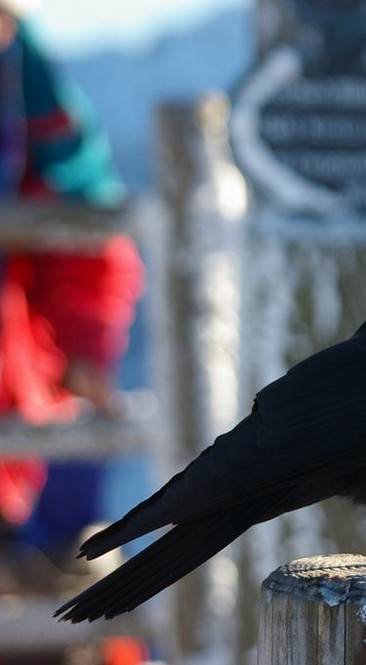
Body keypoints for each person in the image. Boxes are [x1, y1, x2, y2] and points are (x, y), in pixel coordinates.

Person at [0, 0, 144, 580]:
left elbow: (84, 228)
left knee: (62, 583)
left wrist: (84, 348)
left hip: (23, 406)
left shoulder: (28, 85)